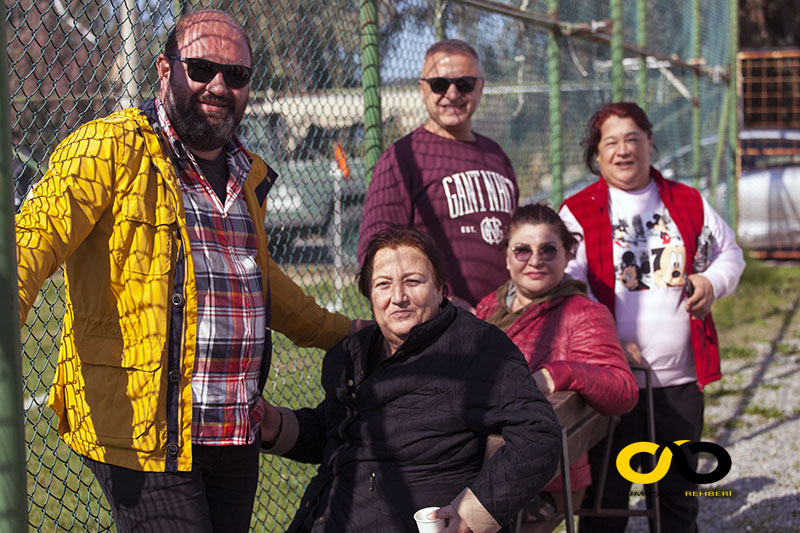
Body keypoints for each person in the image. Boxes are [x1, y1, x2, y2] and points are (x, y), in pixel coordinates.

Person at [15, 9, 357, 533]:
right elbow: (29, 243)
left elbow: (263, 283)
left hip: (235, 430)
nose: (218, 86)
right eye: (200, 68)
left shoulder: (246, 172)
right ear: (164, 69)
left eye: (236, 75)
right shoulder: (108, 147)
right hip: (144, 433)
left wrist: (347, 333)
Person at [260, 226, 562, 532]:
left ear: (442, 289)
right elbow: (337, 434)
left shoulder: (477, 349)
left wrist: (471, 515)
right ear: (369, 294)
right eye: (383, 284)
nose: (398, 297)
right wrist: (277, 426)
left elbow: (539, 435)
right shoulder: (353, 354)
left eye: (413, 282)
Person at [558, 102, 746, 533]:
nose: (623, 150)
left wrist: (713, 282)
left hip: (678, 382)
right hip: (611, 386)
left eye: (632, 139)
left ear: (649, 144)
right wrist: (605, 342)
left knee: (676, 495)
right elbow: (569, 285)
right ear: (596, 153)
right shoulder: (578, 211)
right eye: (611, 142)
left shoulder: (687, 200)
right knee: (607, 499)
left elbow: (730, 252)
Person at [475, 203, 638, 530]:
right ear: (506, 257)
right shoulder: (489, 305)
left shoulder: (583, 314)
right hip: (478, 463)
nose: (535, 260)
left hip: (543, 479)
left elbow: (623, 390)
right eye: (522, 250)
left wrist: (559, 373)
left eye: (548, 250)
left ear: (567, 255)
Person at [357, 39, 519, 311]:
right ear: (422, 89)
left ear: (481, 87)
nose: (453, 94)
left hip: (507, 317)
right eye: (439, 84)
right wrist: (442, 303)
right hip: (440, 325)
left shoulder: (496, 154)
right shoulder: (402, 158)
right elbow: (375, 253)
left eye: (465, 84)